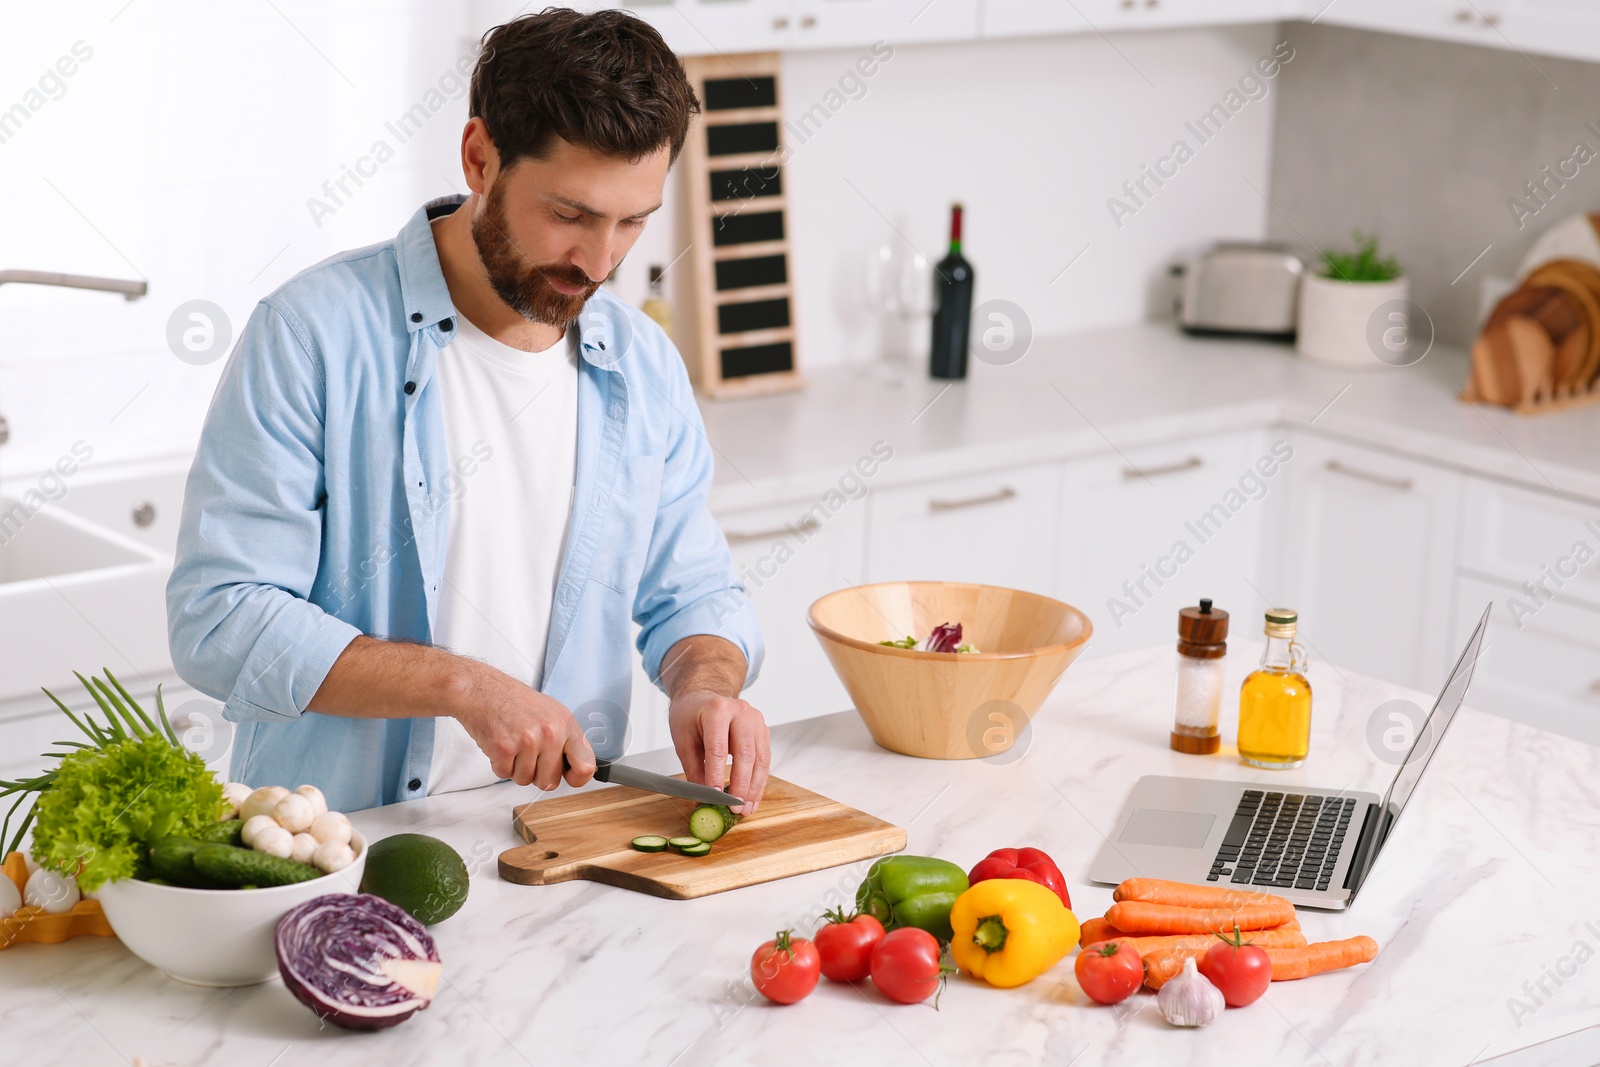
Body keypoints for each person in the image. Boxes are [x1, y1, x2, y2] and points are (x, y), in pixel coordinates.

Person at [166, 8, 771, 815]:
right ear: (480, 156)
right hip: (345, 849)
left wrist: (704, 685)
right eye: (570, 214)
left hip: (567, 847)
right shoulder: (313, 335)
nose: (600, 262)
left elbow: (692, 593)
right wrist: (461, 684)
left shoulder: (643, 363)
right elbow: (221, 617)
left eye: (633, 222)